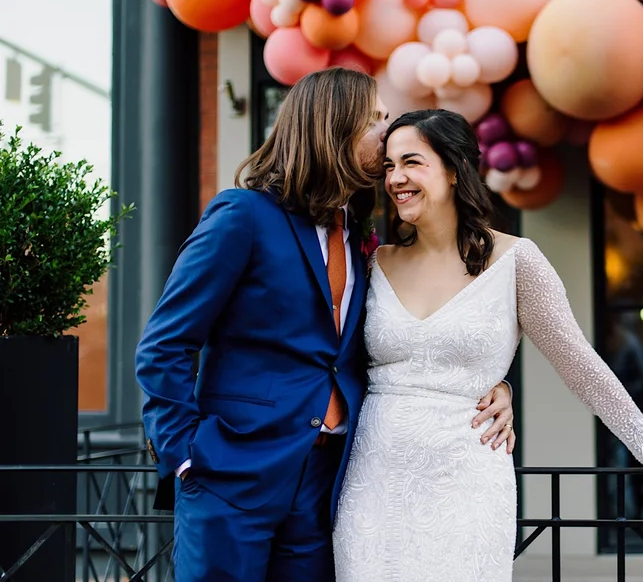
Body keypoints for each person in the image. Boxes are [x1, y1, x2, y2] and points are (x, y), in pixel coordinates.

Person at [134, 69, 514, 582]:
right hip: (233, 473)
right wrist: (185, 457)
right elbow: (165, 345)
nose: (387, 133)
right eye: (375, 119)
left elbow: (389, 347)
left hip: (326, 481)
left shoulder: (360, 235)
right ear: (334, 128)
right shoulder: (241, 216)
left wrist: (492, 383)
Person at [332, 108, 643, 582]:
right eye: (389, 167)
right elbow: (339, 362)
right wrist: (501, 386)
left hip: (466, 485)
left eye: (412, 162)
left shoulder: (517, 261)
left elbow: (580, 366)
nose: (396, 178)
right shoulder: (373, 261)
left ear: (455, 168)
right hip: (372, 483)